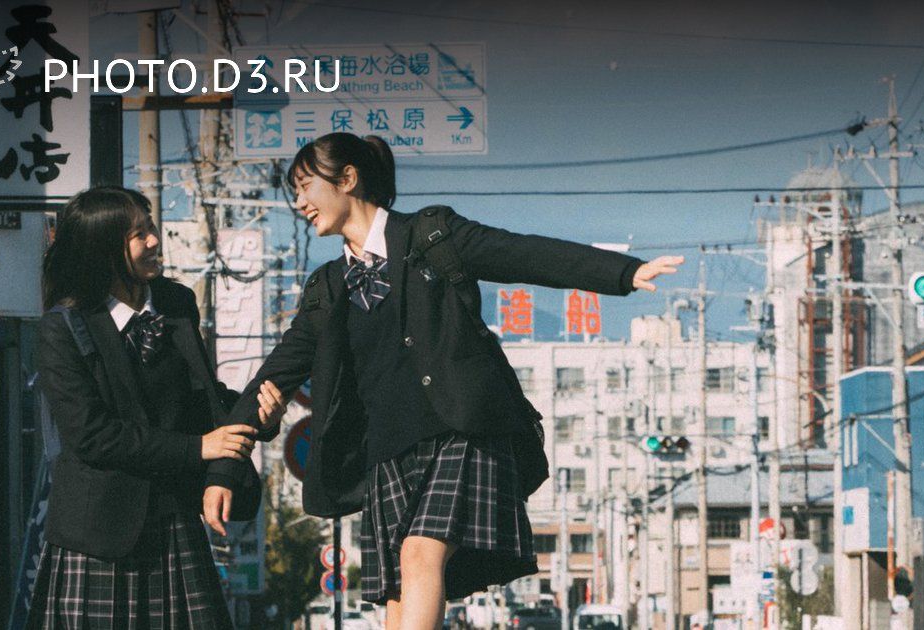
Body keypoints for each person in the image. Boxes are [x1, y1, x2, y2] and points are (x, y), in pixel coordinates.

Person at [210, 133, 683, 630]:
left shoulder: (432, 236)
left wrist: (623, 272)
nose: (299, 202)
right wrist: (224, 468)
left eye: (306, 186)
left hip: (460, 430)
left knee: (418, 556)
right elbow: (275, 372)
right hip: (386, 454)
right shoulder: (328, 287)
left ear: (347, 179)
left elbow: (523, 254)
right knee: (398, 590)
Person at [29, 186, 285, 628]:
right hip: (98, 534)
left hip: (175, 520)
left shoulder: (175, 303)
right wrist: (198, 447)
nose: (153, 241)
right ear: (102, 249)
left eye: (150, 228)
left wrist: (258, 417)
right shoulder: (63, 326)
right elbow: (92, 436)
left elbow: (201, 399)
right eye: (138, 234)